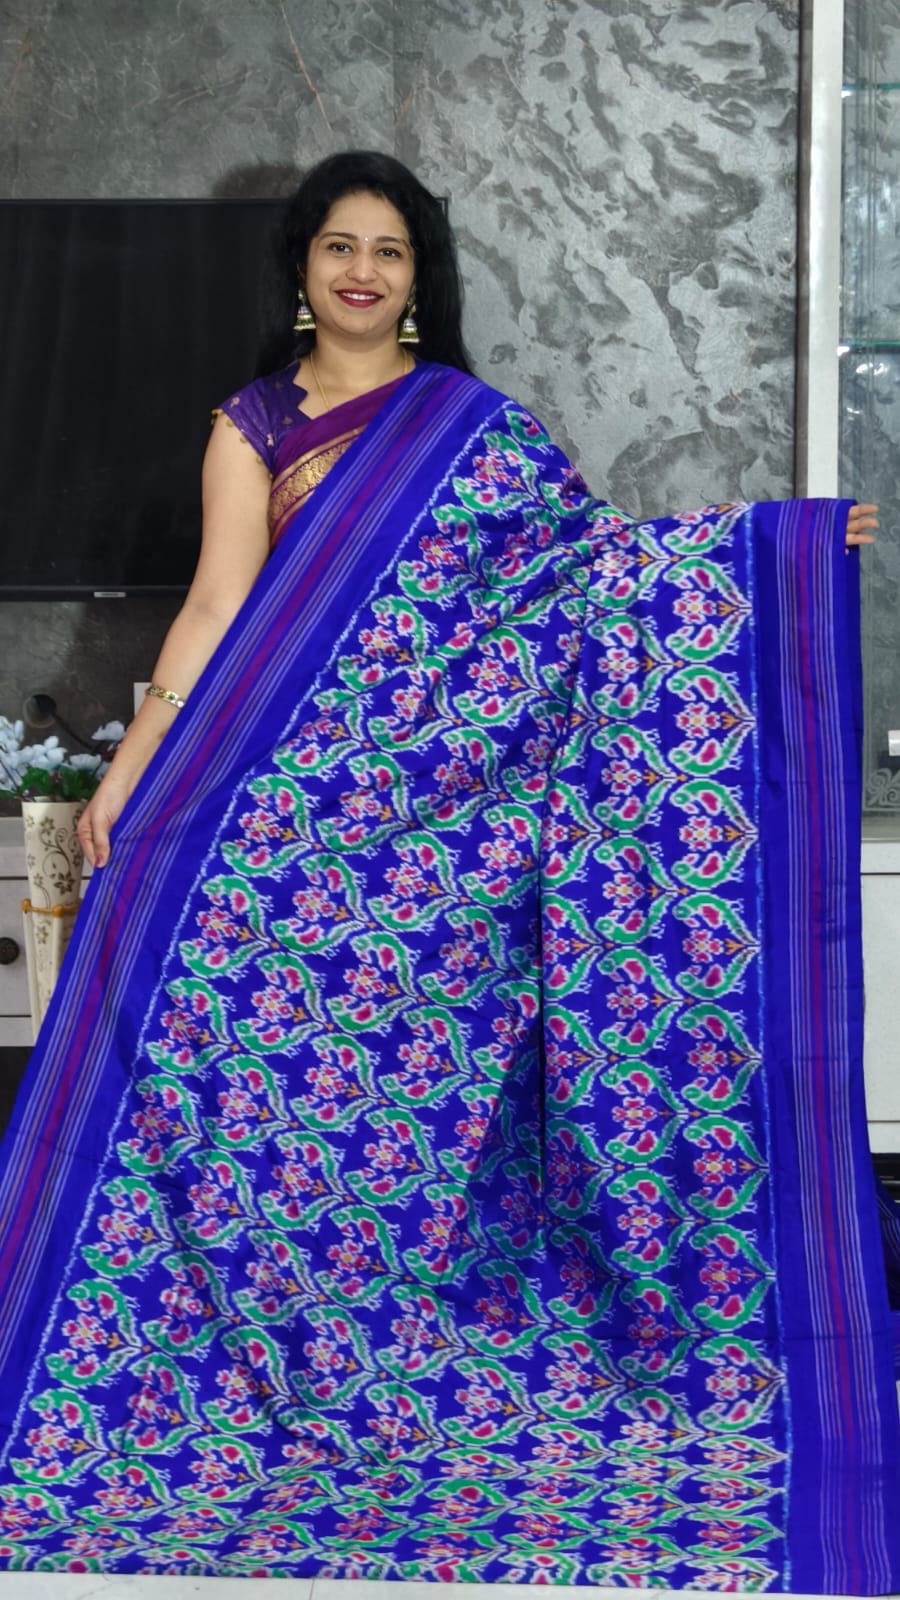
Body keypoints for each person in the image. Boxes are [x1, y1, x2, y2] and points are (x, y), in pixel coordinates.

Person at [0, 151, 895, 1591]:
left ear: (419, 279)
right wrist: (126, 776)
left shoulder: (474, 428)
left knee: (403, 1095)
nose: (363, 271)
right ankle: (211, 1348)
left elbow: (592, 579)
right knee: (192, 1017)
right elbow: (218, 608)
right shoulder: (254, 425)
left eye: (391, 251)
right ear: (302, 267)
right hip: (282, 808)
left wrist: (777, 548)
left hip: (438, 841)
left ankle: (396, 1338)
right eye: (339, 246)